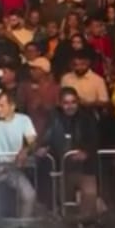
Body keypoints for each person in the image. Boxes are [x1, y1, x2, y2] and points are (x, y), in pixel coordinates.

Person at [0, 89, 39, 219]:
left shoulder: (24, 120)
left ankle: (23, 227)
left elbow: (33, 141)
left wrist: (25, 151)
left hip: (13, 168)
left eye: (1, 105)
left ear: (12, 106)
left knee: (29, 195)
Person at [43, 86, 101, 220]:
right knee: (65, 201)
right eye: (66, 103)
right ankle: (69, 226)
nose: (70, 106)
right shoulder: (54, 117)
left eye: (73, 102)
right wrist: (43, 147)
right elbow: (47, 136)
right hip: (63, 168)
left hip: (85, 168)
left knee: (90, 194)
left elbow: (95, 140)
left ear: (78, 102)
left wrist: (86, 152)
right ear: (60, 103)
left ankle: (87, 224)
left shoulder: (87, 117)